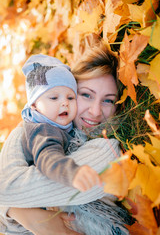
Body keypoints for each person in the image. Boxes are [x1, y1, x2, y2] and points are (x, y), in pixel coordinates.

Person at [0, 40, 133, 235]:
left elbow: (7, 189)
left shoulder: (107, 151)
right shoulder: (40, 130)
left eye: (108, 100)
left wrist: (19, 214)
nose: (96, 112)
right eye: (86, 95)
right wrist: (21, 215)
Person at [19, 54, 101, 192]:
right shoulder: (43, 130)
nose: (64, 103)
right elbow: (48, 157)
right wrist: (72, 173)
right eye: (53, 97)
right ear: (34, 105)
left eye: (70, 97)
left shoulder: (56, 122)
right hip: (42, 195)